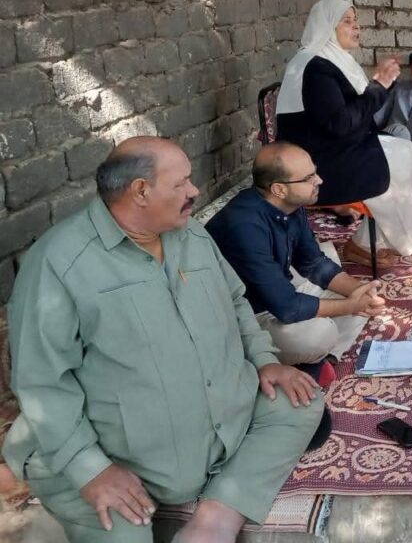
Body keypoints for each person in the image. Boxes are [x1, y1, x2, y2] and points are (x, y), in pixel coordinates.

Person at [3, 137, 324, 543]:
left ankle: (216, 519)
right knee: (121, 532)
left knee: (302, 400)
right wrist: (91, 470)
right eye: (182, 183)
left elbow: (235, 299)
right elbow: (42, 383)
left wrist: (265, 360)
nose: (194, 192)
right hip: (117, 453)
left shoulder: (191, 235)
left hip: (218, 424)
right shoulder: (60, 264)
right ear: (140, 191)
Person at [276, 0, 412, 267]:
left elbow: (351, 117)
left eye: (356, 20)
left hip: (335, 145)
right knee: (393, 159)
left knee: (406, 149)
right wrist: (379, 86)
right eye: (347, 21)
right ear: (326, 27)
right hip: (319, 161)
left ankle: (369, 241)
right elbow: (341, 123)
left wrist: (378, 88)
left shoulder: (333, 61)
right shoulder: (314, 68)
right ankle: (369, 244)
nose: (356, 27)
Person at [207, 142, 386, 371]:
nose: (319, 180)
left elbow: (313, 262)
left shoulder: (290, 204)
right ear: (279, 189)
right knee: (320, 333)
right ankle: (310, 360)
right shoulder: (244, 226)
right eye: (309, 177)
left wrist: (357, 292)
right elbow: (287, 307)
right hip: (246, 316)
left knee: (361, 301)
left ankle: (323, 359)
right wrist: (349, 305)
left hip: (279, 293)